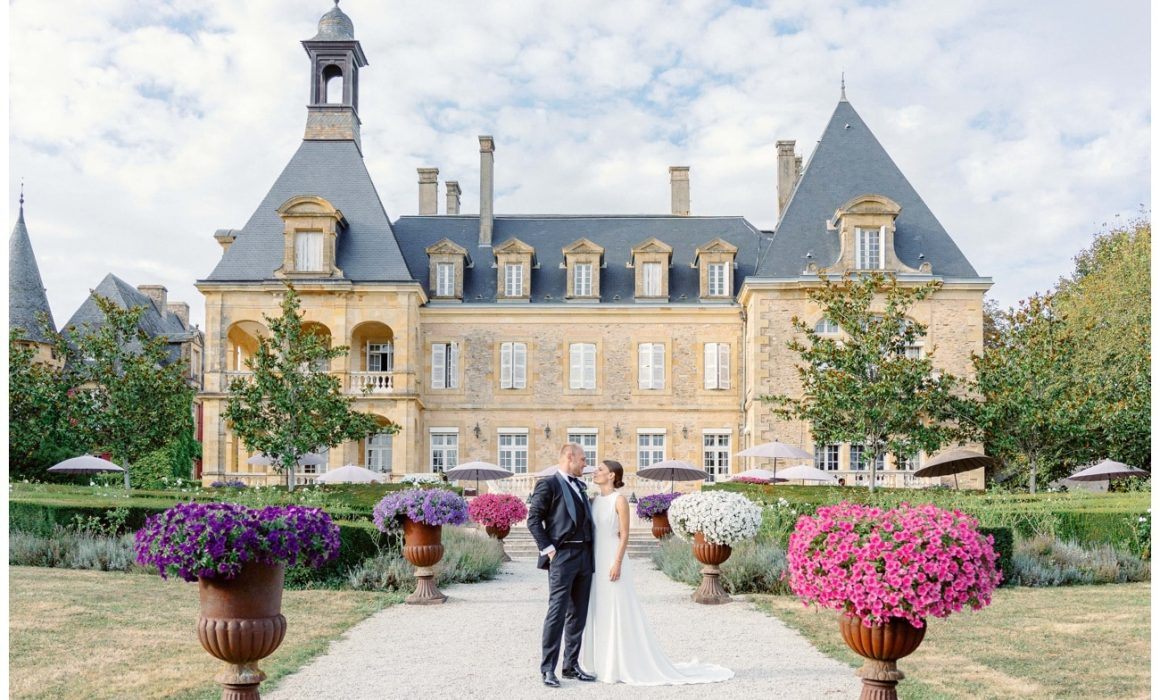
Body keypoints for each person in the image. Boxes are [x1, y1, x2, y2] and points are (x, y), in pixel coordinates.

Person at [579, 460, 734, 686]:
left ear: (612, 475)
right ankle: (601, 663)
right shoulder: (593, 501)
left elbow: (624, 535)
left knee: (617, 608)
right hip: (595, 560)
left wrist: (617, 563)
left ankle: (622, 663)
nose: (595, 471)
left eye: (600, 469)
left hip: (613, 558)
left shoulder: (619, 500)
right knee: (599, 608)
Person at [526, 444, 597, 688]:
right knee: (557, 613)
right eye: (583, 460)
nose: (586, 464)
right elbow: (533, 519)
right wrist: (549, 549)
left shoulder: (581, 486)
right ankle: (548, 669)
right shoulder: (549, 484)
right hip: (563, 556)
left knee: (578, 614)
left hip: (585, 556)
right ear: (570, 458)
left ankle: (570, 666)